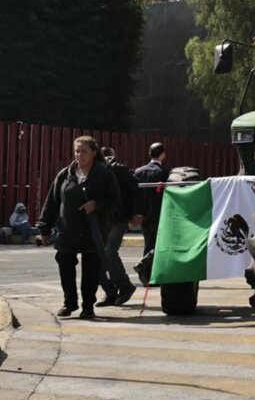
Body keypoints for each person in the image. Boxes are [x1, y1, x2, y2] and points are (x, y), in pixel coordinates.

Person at [38, 136, 120, 319]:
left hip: (93, 230)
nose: (79, 155)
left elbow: (115, 202)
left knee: (91, 270)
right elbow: (52, 202)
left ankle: (88, 306)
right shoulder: (65, 174)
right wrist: (44, 228)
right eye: (76, 151)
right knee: (65, 264)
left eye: (84, 151)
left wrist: (96, 204)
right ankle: (70, 302)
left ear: (93, 153)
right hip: (68, 230)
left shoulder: (105, 175)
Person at [97, 147, 140, 306]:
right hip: (102, 218)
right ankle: (110, 292)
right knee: (97, 255)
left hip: (117, 217)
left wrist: (137, 212)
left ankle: (124, 286)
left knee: (108, 253)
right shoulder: (91, 170)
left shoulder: (118, 169)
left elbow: (136, 190)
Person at [133, 142, 170, 256]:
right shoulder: (165, 172)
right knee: (160, 244)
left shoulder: (139, 171)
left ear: (149, 153)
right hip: (159, 213)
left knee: (148, 243)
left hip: (143, 214)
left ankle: (145, 269)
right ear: (163, 155)